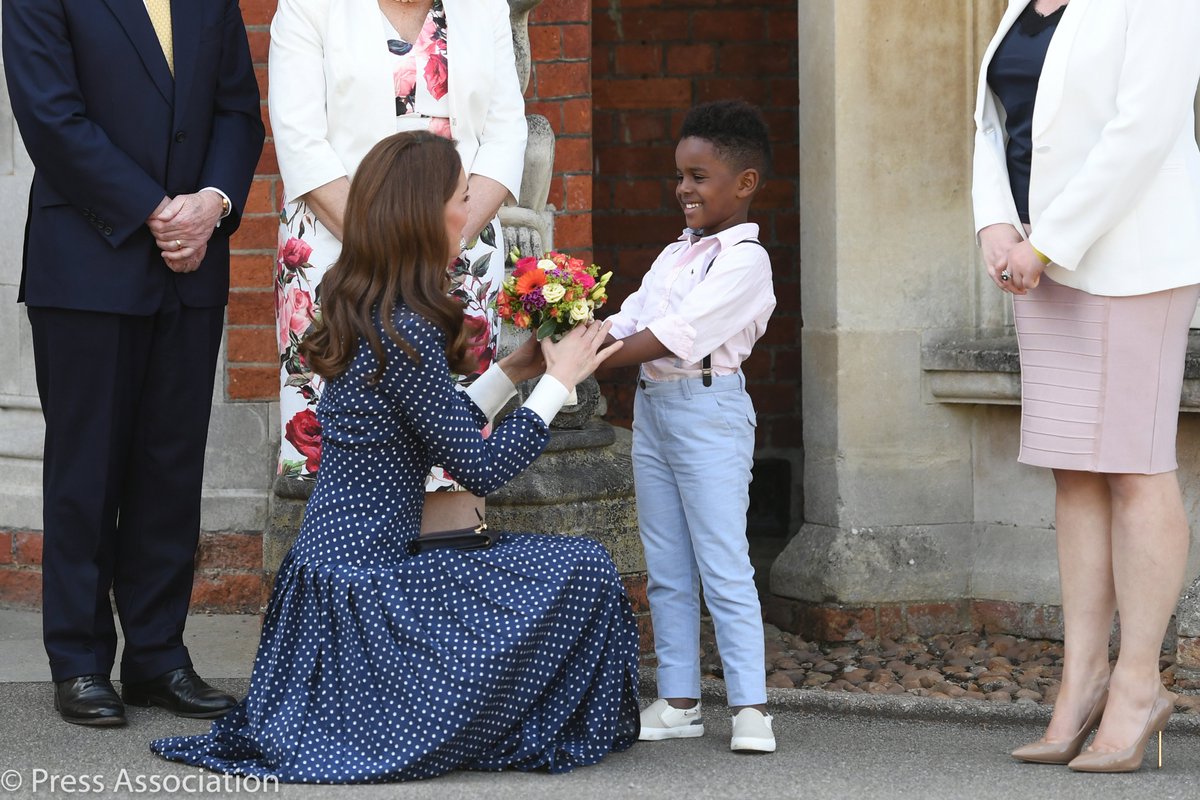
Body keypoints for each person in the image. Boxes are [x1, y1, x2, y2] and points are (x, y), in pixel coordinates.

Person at [149, 131, 640, 781]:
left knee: (554, 565)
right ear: (425, 213)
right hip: (369, 590)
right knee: (582, 566)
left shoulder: (374, 306)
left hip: (335, 579)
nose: (472, 210)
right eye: (462, 197)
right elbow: (482, 468)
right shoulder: (404, 327)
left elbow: (438, 429)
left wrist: (519, 368)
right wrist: (559, 382)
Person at [1, 1, 264, 725]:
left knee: (171, 468)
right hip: (88, 262)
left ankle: (157, 657)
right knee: (87, 470)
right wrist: (155, 209)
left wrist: (211, 203)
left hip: (193, 265)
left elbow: (239, 112)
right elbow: (52, 119)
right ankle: (80, 662)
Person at [974, 0, 1200, 773]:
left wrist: (1052, 239)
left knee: (1136, 466)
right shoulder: (1020, 4)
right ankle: (1081, 682)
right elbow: (995, 121)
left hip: (1130, 260)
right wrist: (997, 224)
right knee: (1074, 468)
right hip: (1038, 259)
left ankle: (1138, 685)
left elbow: (1142, 132)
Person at [269, 0, 526, 535]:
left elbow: (505, 137)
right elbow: (299, 139)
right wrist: (391, 245)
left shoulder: (485, 8)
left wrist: (446, 241)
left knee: (453, 448)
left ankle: (444, 603)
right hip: (339, 255)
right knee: (343, 440)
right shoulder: (308, 7)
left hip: (461, 256)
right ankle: (345, 599)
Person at [599, 100, 777, 753]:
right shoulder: (677, 253)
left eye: (699, 176)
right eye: (681, 176)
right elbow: (634, 316)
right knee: (668, 562)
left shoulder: (744, 260)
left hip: (709, 410)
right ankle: (678, 701)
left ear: (745, 183)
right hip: (655, 409)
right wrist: (576, 332)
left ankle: (752, 708)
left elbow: (678, 334)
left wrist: (586, 360)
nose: (684, 189)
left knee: (723, 559)